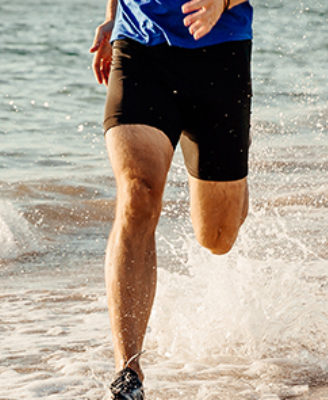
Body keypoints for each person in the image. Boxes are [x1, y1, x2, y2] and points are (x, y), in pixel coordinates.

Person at [89, 0, 253, 397]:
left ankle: (234, 164)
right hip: (140, 51)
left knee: (217, 237)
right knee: (137, 193)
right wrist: (112, 18)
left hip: (220, 53)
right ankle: (128, 372)